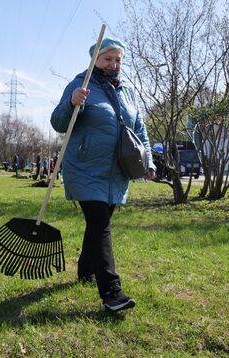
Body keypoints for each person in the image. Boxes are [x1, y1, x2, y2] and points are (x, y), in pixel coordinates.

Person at [51, 37, 156, 312]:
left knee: (98, 224)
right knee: (100, 225)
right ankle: (111, 292)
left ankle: (85, 270)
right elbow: (59, 123)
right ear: (94, 59)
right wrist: (73, 103)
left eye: (118, 59)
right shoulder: (79, 84)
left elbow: (140, 129)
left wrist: (149, 160)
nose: (114, 64)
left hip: (117, 172)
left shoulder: (127, 92)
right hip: (85, 169)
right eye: (108, 59)